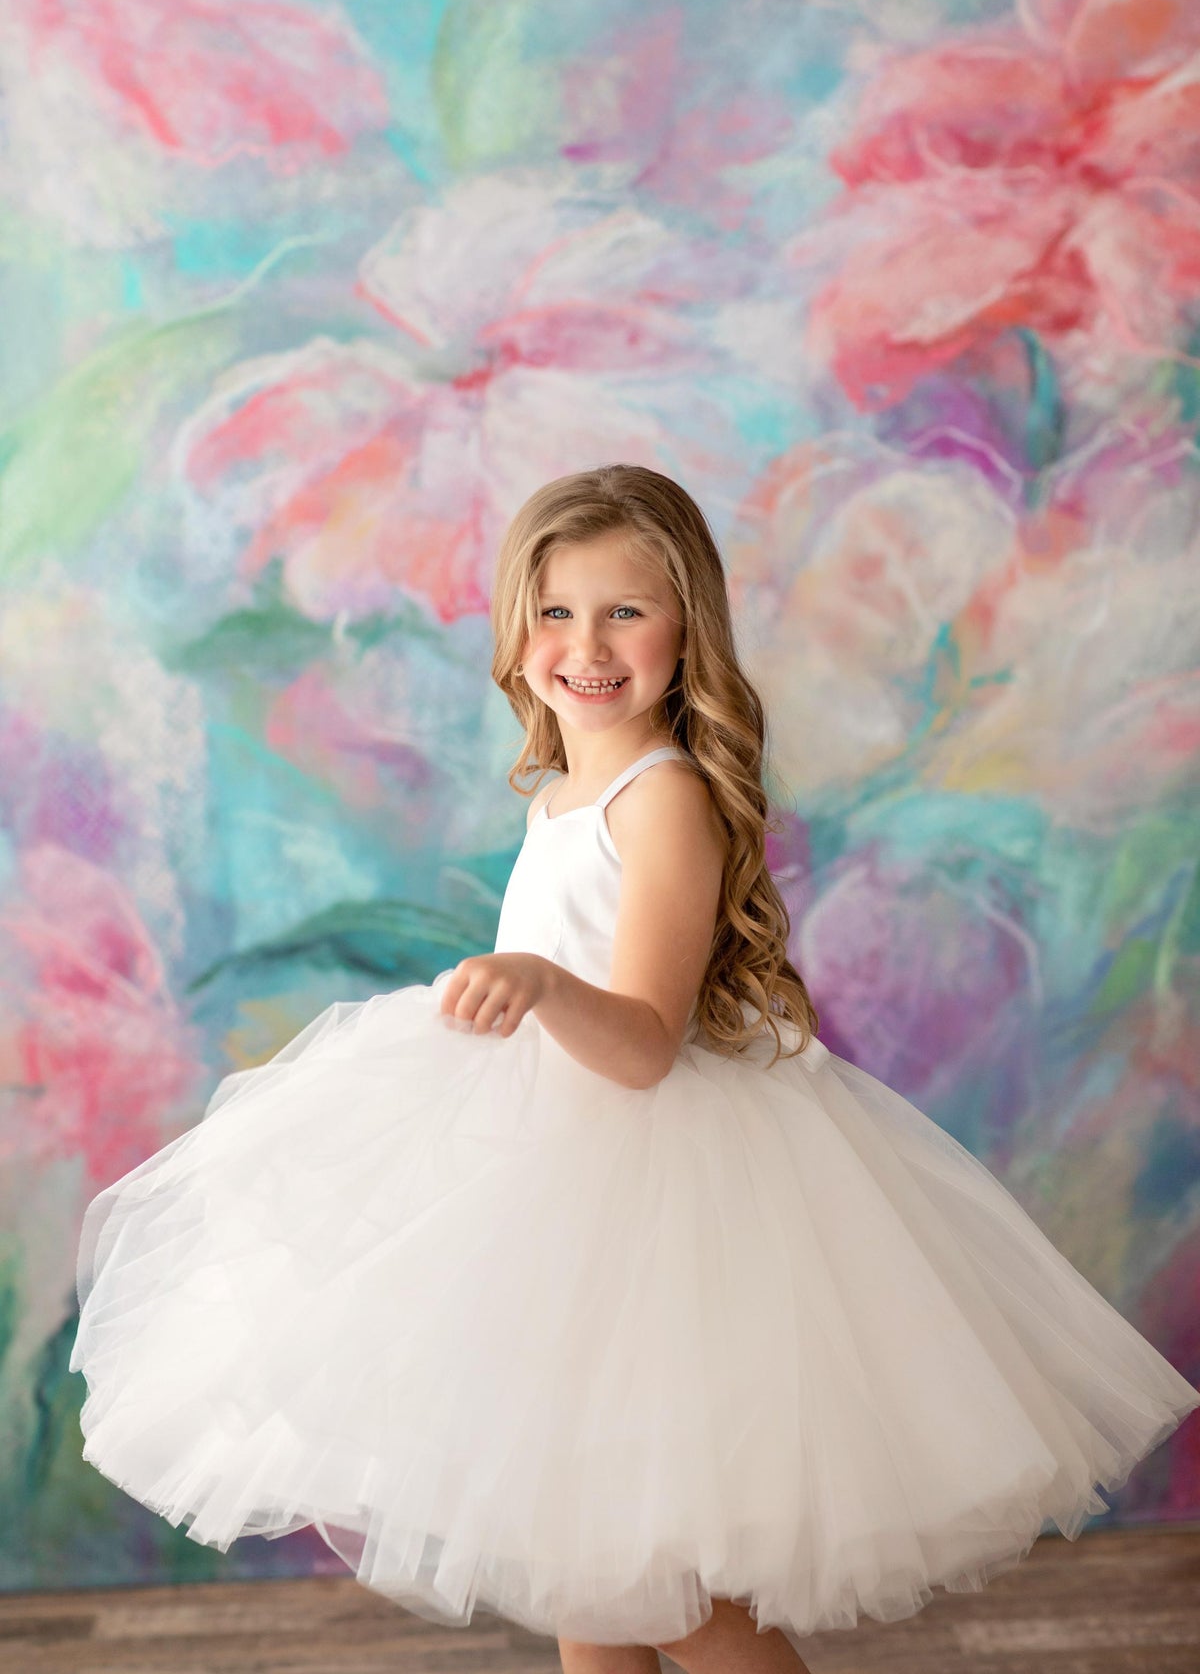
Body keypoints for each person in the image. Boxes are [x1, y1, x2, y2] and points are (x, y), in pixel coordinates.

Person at [70, 464, 1199, 1674]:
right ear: (518, 631)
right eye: (557, 612)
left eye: (626, 611)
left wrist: (543, 985)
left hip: (644, 1193)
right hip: (545, 1182)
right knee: (582, 1555)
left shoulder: (663, 801)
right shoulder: (563, 790)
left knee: (668, 1590)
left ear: (687, 627)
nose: (588, 646)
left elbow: (648, 1047)